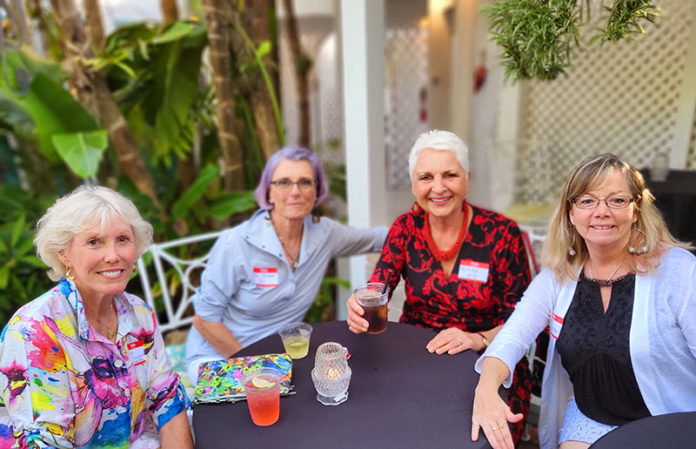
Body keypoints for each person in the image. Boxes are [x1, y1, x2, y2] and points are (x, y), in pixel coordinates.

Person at [471, 153, 696, 449]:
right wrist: (486, 389)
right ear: (570, 213)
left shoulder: (678, 271)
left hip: (668, 420)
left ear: (636, 209)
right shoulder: (558, 277)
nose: (601, 212)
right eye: (587, 201)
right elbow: (513, 336)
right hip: (592, 419)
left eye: (616, 200)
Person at [346, 130, 533, 444]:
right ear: (414, 185)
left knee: (471, 435)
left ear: (467, 179)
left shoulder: (501, 234)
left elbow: (524, 322)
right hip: (418, 354)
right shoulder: (405, 228)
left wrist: (477, 338)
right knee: (388, 426)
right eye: (426, 177)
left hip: (488, 359)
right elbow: (378, 286)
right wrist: (359, 304)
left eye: (450, 175)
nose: (438, 187)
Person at [0, 186, 193, 448]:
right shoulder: (33, 332)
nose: (113, 256)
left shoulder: (139, 314)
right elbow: (45, 443)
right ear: (64, 253)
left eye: (123, 239)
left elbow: (166, 400)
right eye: (94, 242)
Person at [185, 146, 388, 382]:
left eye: (305, 182)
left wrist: (433, 218)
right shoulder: (237, 243)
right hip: (219, 355)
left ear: (317, 190)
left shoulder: (324, 234)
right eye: (283, 182)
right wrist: (254, 367)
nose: (295, 191)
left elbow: (383, 238)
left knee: (338, 386)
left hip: (281, 356)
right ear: (269, 192)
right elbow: (204, 320)